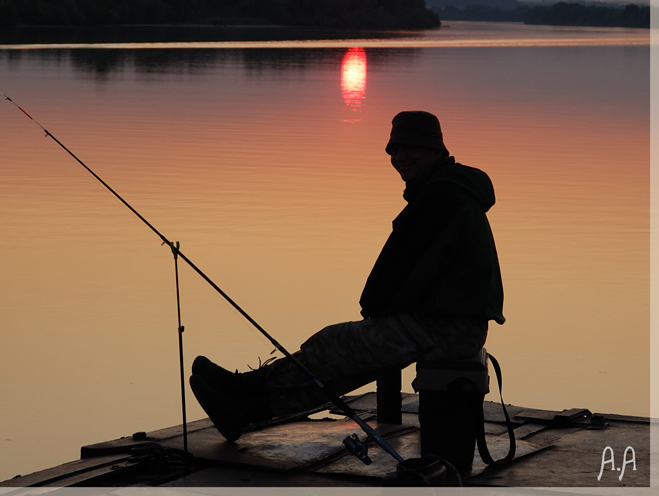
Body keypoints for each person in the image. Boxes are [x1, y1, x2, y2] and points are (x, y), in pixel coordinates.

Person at [190, 110, 505, 442]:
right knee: (347, 368)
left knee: (335, 344)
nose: (399, 158)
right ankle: (246, 411)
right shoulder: (451, 190)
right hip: (450, 323)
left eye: (409, 149)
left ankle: (248, 386)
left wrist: (375, 313)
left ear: (436, 150)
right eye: (393, 150)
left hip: (448, 328)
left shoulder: (440, 199)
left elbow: (399, 275)